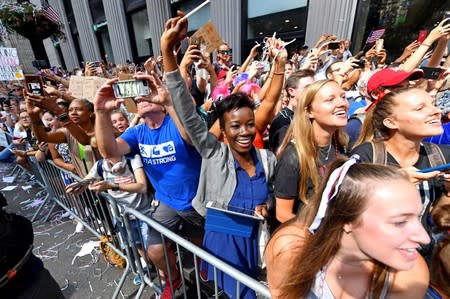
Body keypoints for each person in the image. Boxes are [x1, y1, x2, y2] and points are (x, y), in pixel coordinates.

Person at [160, 12, 276, 299]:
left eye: (250, 124)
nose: (244, 131)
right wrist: (168, 53)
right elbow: (186, 111)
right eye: (235, 126)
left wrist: (267, 206)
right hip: (222, 238)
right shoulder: (213, 153)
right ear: (222, 130)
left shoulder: (267, 159)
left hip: (255, 241)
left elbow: (273, 196)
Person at [93, 71, 203, 298]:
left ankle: (203, 265)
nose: (142, 98)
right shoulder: (137, 132)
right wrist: (101, 112)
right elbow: (108, 151)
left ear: (161, 104)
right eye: (138, 97)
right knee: (154, 251)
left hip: (195, 201)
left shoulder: (175, 121)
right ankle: (173, 278)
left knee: (199, 245)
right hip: (165, 202)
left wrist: (169, 100)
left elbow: (191, 137)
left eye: (147, 93)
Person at [265, 157, 431, 299]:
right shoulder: (291, 250)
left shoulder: (410, 273)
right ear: (347, 220)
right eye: (399, 222)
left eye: (416, 218)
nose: (424, 238)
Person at [351, 87, 450, 257]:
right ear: (391, 122)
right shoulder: (367, 155)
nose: (436, 111)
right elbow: (345, 209)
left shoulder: (442, 155)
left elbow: (437, 216)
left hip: (425, 257)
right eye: (420, 108)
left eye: (433, 105)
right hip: (375, 259)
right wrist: (393, 183)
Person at [274, 79, 349, 224]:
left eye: (343, 97)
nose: (341, 103)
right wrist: (317, 235)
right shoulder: (294, 156)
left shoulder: (343, 147)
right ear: (309, 111)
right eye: (330, 100)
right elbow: (283, 214)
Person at [269, 69, 315, 151]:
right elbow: (282, 156)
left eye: (314, 87)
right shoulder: (282, 121)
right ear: (291, 91)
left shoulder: (312, 115)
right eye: (307, 87)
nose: (313, 91)